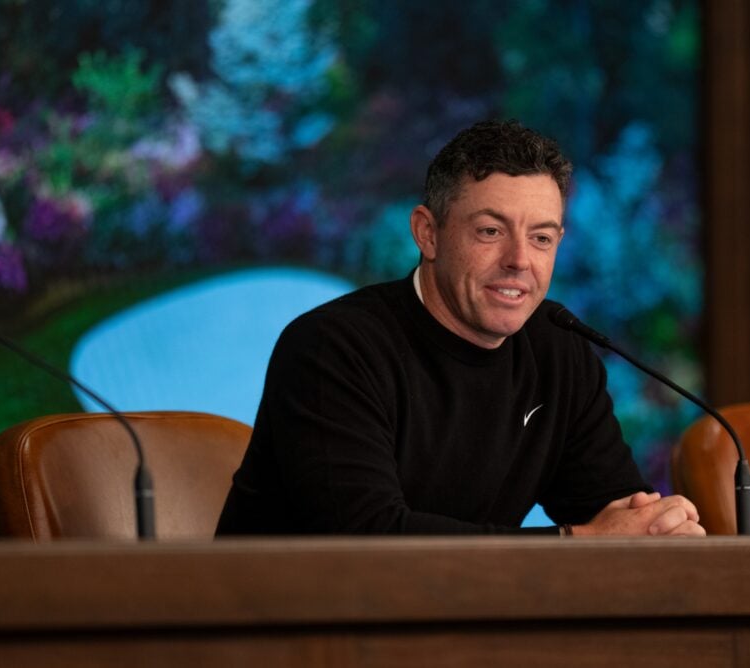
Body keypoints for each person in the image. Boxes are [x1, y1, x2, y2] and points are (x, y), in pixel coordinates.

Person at [216, 120, 704, 537]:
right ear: (428, 233)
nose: (519, 261)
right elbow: (369, 539)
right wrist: (577, 541)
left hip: (465, 632)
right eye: (490, 232)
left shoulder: (561, 351)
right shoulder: (331, 348)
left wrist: (655, 528)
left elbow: (615, 516)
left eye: (541, 238)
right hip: (298, 633)